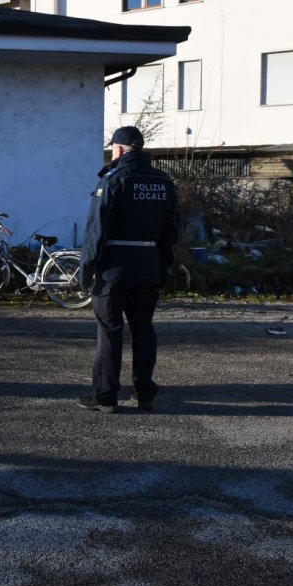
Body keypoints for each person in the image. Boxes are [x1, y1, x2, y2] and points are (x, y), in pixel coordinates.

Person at [79, 126, 180, 413]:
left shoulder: (113, 180)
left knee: (110, 331)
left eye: (112, 148)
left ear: (120, 149)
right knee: (143, 330)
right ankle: (145, 393)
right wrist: (163, 266)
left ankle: (105, 397)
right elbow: (172, 231)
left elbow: (96, 231)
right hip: (148, 267)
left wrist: (86, 269)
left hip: (113, 270)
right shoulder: (164, 182)